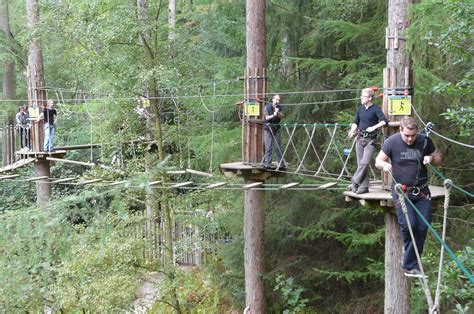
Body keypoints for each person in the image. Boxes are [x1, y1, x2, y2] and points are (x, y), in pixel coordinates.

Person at [375, 116, 442, 278]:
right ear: (401, 131)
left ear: (417, 132)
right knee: (410, 226)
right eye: (407, 135)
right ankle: (410, 264)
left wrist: (431, 158)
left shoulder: (425, 141)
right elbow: (378, 160)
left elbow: (439, 158)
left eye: (413, 135)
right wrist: (384, 165)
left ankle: (410, 260)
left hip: (422, 192)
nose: (410, 138)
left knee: (423, 227)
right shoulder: (392, 142)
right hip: (401, 192)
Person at [348, 88, 388, 194]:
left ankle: (355, 181)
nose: (361, 98)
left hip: (370, 140)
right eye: (361, 96)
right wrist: (352, 130)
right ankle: (364, 187)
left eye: (363, 96)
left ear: (370, 98)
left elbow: (384, 121)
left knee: (364, 163)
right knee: (360, 163)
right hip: (360, 139)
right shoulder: (360, 109)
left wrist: (374, 127)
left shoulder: (375, 109)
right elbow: (355, 122)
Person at [263, 94, 285, 169]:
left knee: (277, 147)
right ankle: (267, 164)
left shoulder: (280, 107)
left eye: (278, 100)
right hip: (268, 128)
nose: (277, 101)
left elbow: (282, 116)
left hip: (276, 128)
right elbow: (266, 117)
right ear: (273, 99)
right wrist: (274, 114)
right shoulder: (267, 107)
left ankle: (281, 164)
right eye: (276, 99)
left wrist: (277, 112)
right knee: (268, 147)